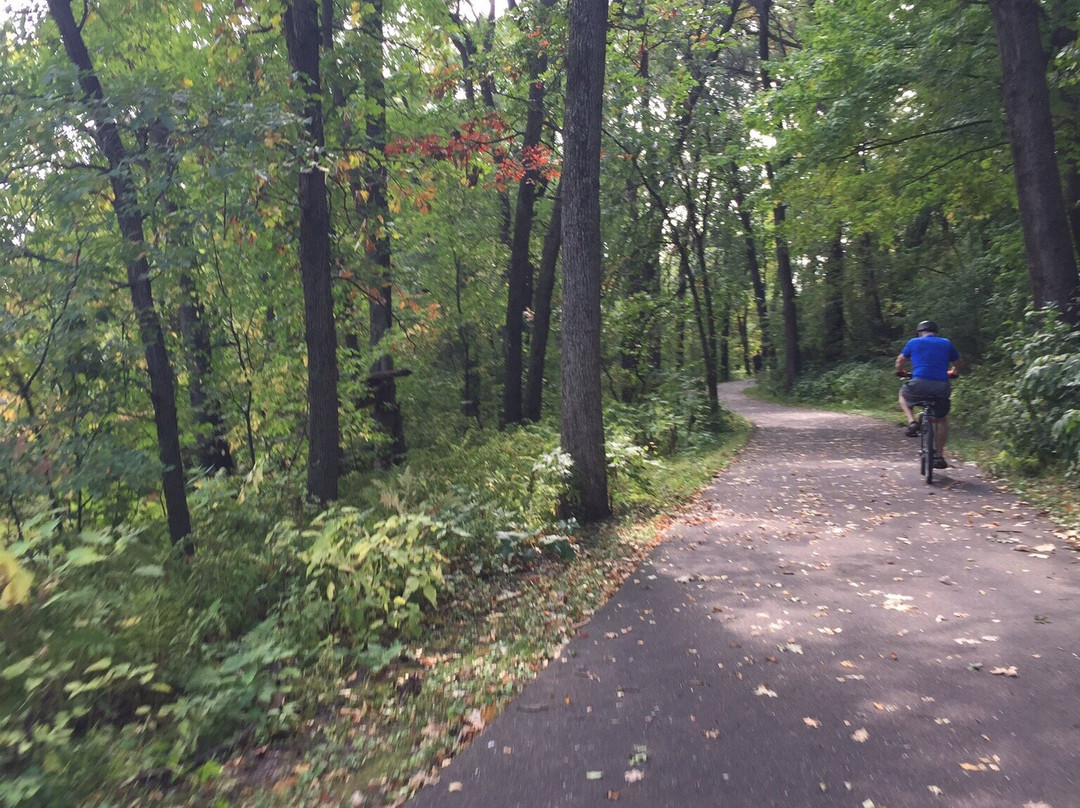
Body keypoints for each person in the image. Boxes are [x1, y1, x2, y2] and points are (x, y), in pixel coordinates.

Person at [895, 320, 962, 468]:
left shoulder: (914, 342)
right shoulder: (946, 343)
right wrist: (954, 373)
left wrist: (900, 372)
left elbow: (900, 360)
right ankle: (939, 456)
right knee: (942, 419)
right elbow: (958, 363)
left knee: (903, 395)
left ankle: (912, 422)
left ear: (919, 332)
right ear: (935, 332)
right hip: (941, 386)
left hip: (918, 384)